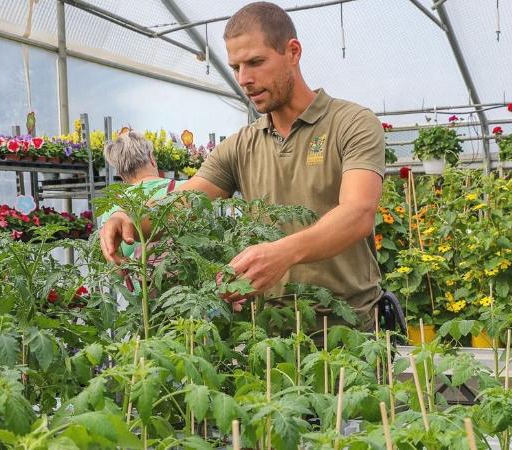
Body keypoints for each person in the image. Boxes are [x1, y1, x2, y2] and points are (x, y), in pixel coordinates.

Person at [100, 1, 385, 329]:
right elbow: (184, 202)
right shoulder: (241, 145)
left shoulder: (351, 123)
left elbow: (358, 213)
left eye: (255, 62)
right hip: (267, 334)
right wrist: (130, 218)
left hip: (348, 330)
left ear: (293, 52)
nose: (244, 79)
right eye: (236, 67)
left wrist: (283, 253)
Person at [99, 129, 186, 291]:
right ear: (152, 159)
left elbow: (115, 269)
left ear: (119, 172)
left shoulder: (112, 207)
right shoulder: (183, 190)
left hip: (141, 306)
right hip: (190, 301)